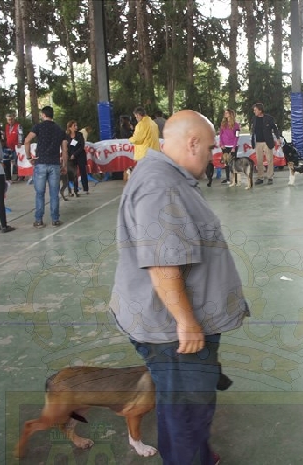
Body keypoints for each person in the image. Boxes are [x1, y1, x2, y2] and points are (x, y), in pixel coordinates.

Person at [109, 109, 249, 465]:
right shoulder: (162, 186)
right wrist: (186, 322)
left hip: (175, 327)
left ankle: (196, 454)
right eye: (211, 148)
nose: (213, 155)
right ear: (193, 143)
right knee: (187, 412)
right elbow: (162, 264)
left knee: (184, 406)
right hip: (174, 332)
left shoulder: (167, 177)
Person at [23, 106, 68, 228]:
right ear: (52, 115)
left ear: (43, 115)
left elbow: (27, 140)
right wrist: (64, 165)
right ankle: (55, 219)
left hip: (41, 163)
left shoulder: (38, 127)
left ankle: (39, 220)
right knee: (54, 193)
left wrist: (29, 157)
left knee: (40, 193)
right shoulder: (60, 130)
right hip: (54, 164)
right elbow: (64, 150)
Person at [250, 103, 280, 185]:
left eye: (255, 110)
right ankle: (260, 177)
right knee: (259, 160)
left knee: (269, 160)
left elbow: (275, 128)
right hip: (258, 142)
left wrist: (278, 138)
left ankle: (270, 177)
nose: (254, 111)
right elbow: (253, 130)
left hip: (267, 142)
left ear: (260, 110)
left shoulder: (269, 118)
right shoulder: (254, 118)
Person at [66, 120, 88, 195]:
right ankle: (75, 189)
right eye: (74, 126)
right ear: (69, 127)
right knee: (73, 173)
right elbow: (67, 147)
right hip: (71, 157)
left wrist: (74, 154)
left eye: (76, 125)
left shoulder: (79, 134)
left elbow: (82, 146)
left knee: (83, 172)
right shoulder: (66, 136)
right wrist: (69, 155)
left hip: (80, 155)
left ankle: (85, 188)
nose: (76, 127)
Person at [218, 109, 240, 185]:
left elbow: (237, 137)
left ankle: (235, 179)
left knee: (233, 163)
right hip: (224, 146)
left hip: (233, 147)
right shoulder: (223, 124)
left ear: (231, 114)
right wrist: (221, 144)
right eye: (225, 113)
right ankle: (227, 179)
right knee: (226, 163)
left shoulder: (236, 125)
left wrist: (233, 147)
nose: (225, 114)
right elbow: (220, 135)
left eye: (227, 113)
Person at [4, 112, 22, 181]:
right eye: (9, 120)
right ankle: (10, 176)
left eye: (11, 119)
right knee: (9, 161)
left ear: (14, 119)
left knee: (17, 161)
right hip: (8, 147)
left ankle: (20, 175)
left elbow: (20, 134)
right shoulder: (7, 126)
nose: (10, 121)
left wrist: (20, 143)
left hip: (16, 147)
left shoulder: (18, 125)